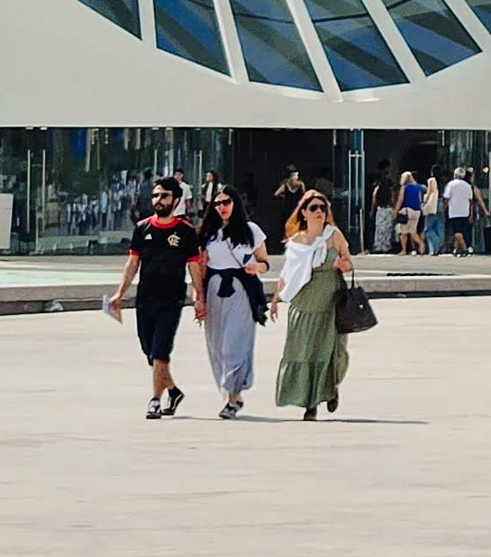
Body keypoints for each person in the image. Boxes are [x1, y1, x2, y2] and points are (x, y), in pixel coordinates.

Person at [107, 175, 205, 419]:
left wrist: (199, 296)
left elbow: (194, 267)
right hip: (145, 299)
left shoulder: (186, 232)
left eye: (164, 195)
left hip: (171, 300)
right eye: (156, 195)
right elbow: (132, 263)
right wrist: (120, 293)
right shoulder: (142, 228)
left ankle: (154, 400)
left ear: (176, 200)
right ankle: (173, 391)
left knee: (161, 351)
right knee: (149, 351)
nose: (159, 200)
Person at [272, 190, 354, 420]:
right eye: (314, 208)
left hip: (329, 302)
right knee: (302, 351)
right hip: (303, 302)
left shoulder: (333, 235)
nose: (319, 212)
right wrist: (276, 299)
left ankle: (322, 396)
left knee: (327, 352)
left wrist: (341, 263)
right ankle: (307, 400)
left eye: (322, 208)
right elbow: (287, 273)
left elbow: (349, 262)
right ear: (304, 212)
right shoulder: (296, 241)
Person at [200, 189, 269, 417]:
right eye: (217, 203)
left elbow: (265, 262)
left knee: (235, 343)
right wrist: (197, 297)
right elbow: (200, 267)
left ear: (235, 203)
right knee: (216, 344)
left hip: (241, 289)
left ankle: (231, 397)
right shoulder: (208, 233)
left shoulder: (251, 231)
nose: (222, 206)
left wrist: (256, 268)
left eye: (226, 202)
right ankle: (234, 395)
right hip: (214, 289)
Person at [442, 165, 485, 254]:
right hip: (465, 211)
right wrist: (471, 213)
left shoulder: (451, 184)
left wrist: (444, 207)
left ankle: (464, 248)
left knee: (456, 232)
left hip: (454, 211)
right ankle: (457, 249)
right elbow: (470, 201)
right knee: (462, 231)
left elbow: (446, 198)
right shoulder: (467, 186)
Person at [395, 169, 424, 255]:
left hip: (407, 210)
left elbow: (400, 199)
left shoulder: (404, 187)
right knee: (412, 230)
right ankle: (421, 244)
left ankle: (403, 250)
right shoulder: (417, 188)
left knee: (403, 231)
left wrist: (396, 210)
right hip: (417, 211)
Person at [421, 171, 445, 256]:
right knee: (439, 227)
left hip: (433, 204)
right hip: (441, 203)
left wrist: (425, 202)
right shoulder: (442, 181)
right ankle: (437, 248)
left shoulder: (431, 180)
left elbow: (430, 192)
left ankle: (436, 245)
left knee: (428, 228)